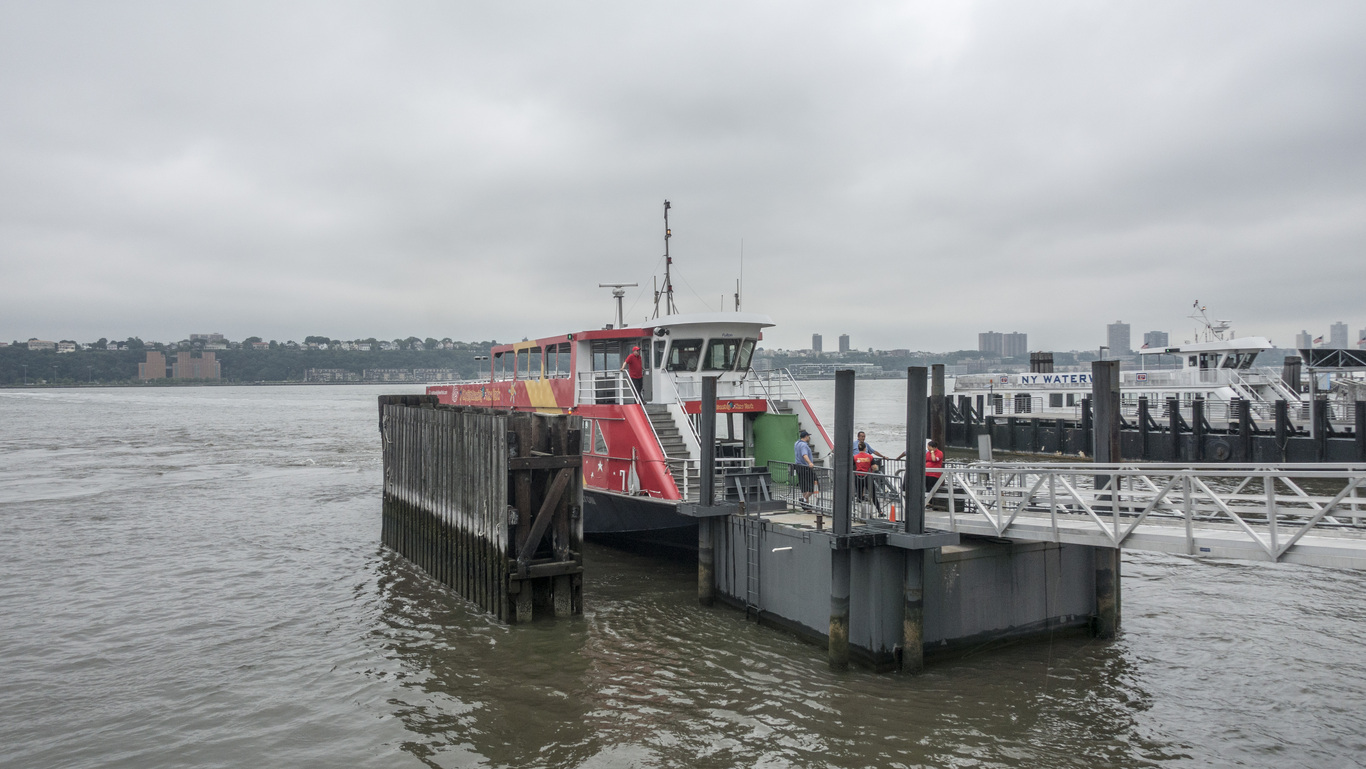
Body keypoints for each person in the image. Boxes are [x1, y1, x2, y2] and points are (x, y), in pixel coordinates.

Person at [793, 430, 817, 508]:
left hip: (798, 467)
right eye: (808, 436)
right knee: (812, 486)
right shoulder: (804, 445)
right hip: (806, 468)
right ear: (806, 436)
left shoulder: (797, 443)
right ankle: (803, 499)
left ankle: (806, 505)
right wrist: (810, 463)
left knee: (804, 487)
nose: (809, 438)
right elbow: (804, 455)